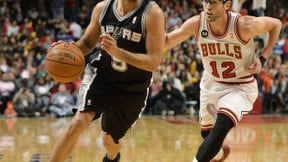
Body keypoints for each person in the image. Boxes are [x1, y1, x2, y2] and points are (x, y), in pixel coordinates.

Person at [164, 0, 281, 161]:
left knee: (222, 125)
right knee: (207, 134)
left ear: (226, 5)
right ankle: (219, 154)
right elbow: (167, 41)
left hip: (240, 86)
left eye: (213, 3)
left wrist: (264, 57)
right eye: (206, 2)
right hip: (211, 83)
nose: (208, 7)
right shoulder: (197, 23)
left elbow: (276, 24)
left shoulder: (243, 26)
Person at [48, 0, 165, 161]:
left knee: (109, 140)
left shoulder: (152, 14)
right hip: (102, 75)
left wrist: (118, 52)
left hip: (133, 88)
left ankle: (112, 157)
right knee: (79, 122)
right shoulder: (102, 8)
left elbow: (153, 61)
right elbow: (88, 43)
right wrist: (67, 50)